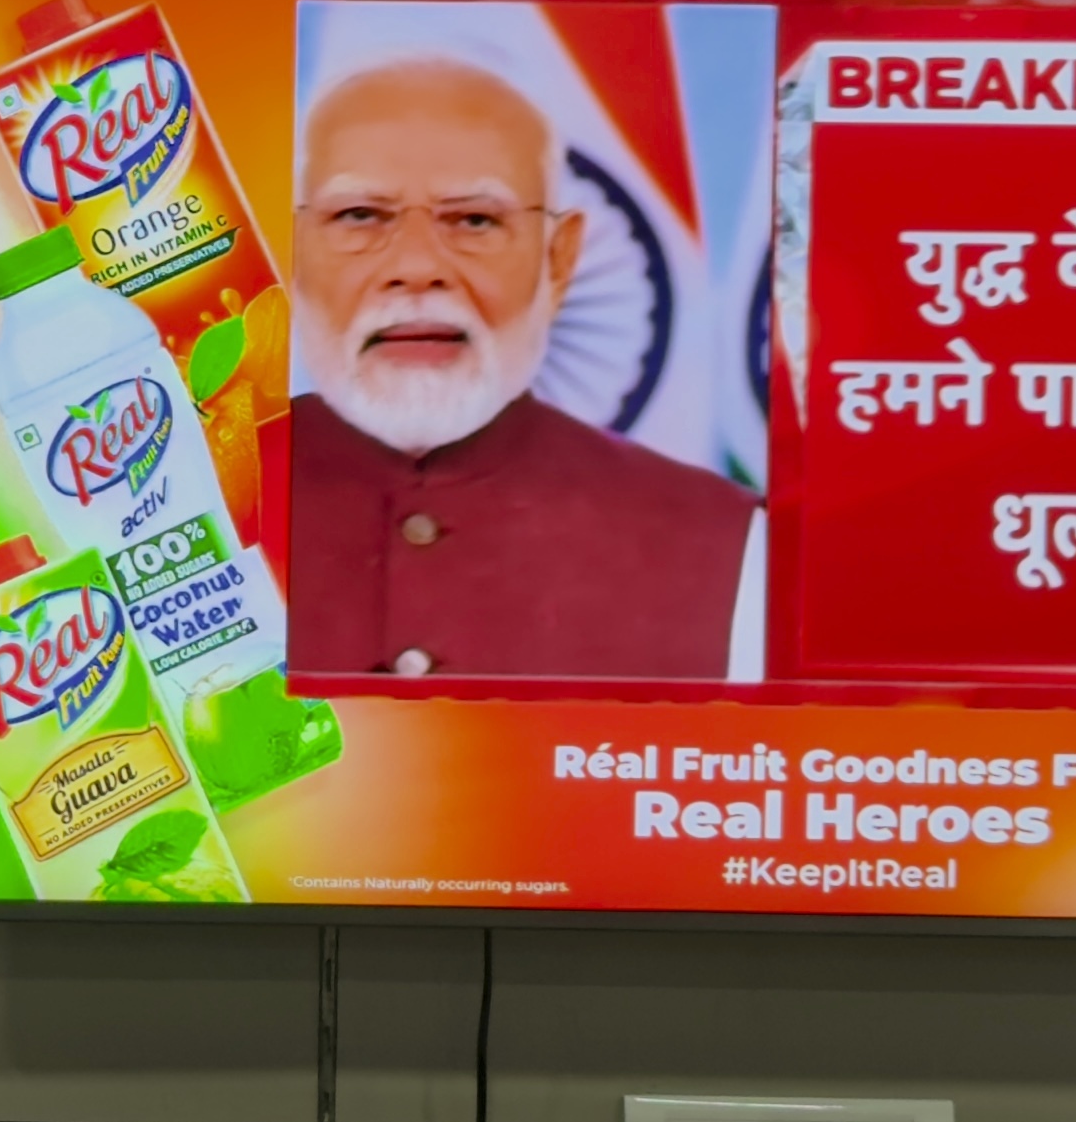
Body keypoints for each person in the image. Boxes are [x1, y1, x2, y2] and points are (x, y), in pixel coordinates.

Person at [285, 54, 762, 680]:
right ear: (291, 249)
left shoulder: (735, 547)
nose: (418, 267)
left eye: (475, 220)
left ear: (558, 261)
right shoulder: (165, 501)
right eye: (360, 216)